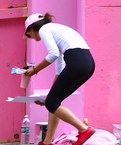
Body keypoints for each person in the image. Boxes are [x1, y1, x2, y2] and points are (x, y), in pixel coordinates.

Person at [22, 13, 98, 145]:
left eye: (29, 35)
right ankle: (47, 142)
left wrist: (34, 70)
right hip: (87, 64)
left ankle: (83, 129)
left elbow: (53, 54)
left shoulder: (44, 29)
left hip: (77, 61)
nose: (31, 37)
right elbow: (59, 68)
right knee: (53, 102)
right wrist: (51, 94)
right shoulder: (56, 30)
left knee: (52, 103)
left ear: (32, 29)